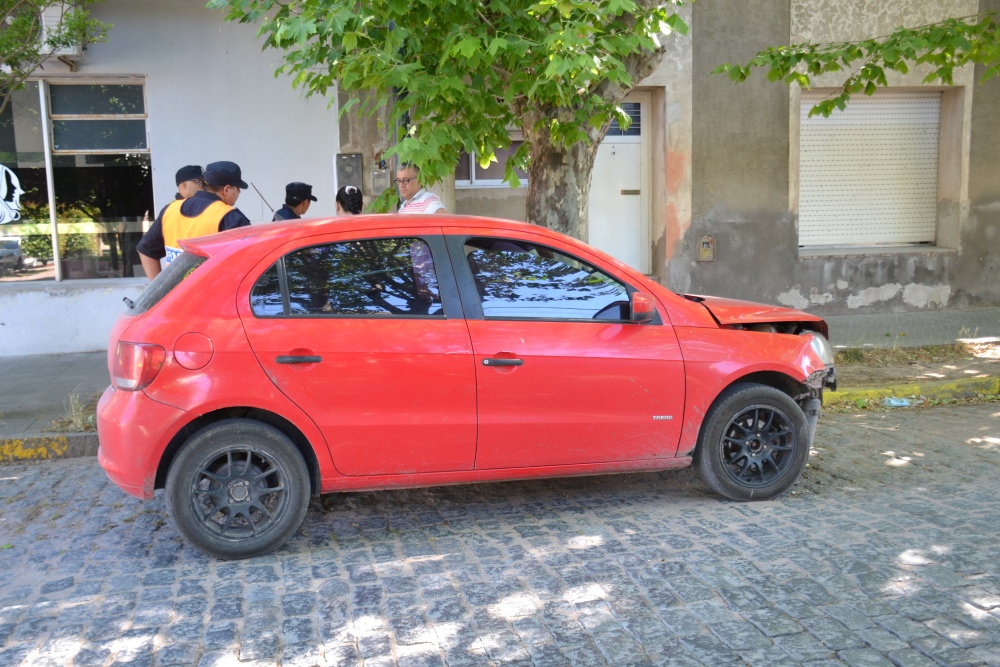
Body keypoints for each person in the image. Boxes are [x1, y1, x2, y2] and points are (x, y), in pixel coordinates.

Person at [137, 161, 251, 280]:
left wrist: (159, 289)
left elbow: (145, 251)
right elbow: (251, 261)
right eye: (238, 188)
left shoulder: (170, 210)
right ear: (226, 189)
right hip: (211, 296)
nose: (239, 192)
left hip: (177, 296)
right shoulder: (229, 216)